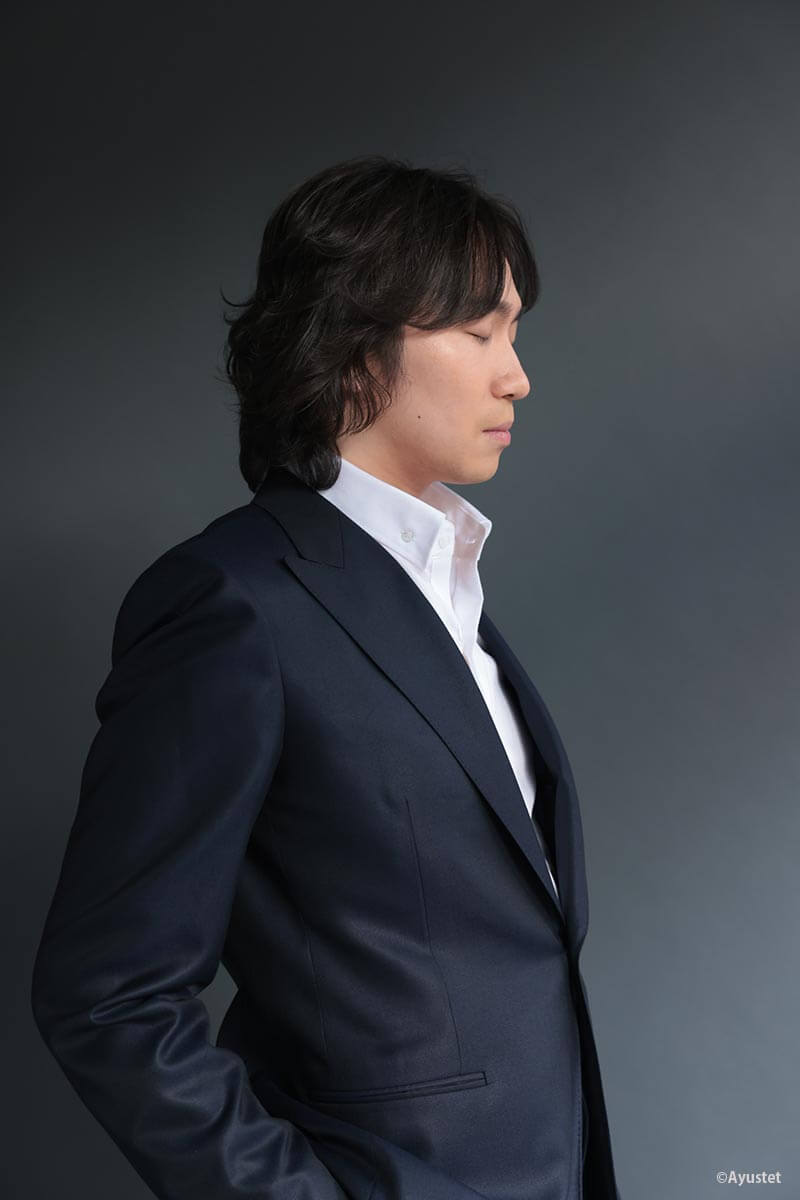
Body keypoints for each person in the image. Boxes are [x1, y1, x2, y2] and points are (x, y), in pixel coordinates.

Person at [31, 155, 622, 1200]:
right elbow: (110, 993)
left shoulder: (448, 594)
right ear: (352, 343)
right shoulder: (234, 603)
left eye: (515, 332)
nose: (516, 375)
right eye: (478, 331)